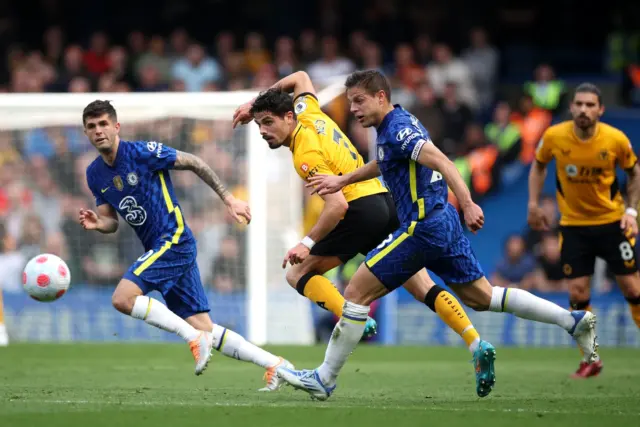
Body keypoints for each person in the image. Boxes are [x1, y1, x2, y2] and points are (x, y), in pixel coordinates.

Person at [277, 70, 598, 401]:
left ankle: (325, 378)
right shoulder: (394, 126)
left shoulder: (398, 131)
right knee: (482, 297)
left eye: (359, 101)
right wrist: (342, 182)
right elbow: (384, 163)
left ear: (380, 97)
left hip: (422, 225)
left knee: (356, 291)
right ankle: (572, 321)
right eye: (351, 102)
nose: (354, 109)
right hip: (441, 222)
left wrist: (470, 203)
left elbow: (444, 161)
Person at [233, 73, 490, 379]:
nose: (262, 131)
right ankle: (476, 343)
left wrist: (307, 242)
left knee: (297, 273)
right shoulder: (308, 111)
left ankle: (350, 318)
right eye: (259, 124)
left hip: (361, 210)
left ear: (288, 117)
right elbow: (301, 77)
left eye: (268, 123)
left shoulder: (304, 153)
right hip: (385, 200)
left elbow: (337, 205)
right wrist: (256, 102)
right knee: (422, 286)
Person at [80, 100, 291, 391]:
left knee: (122, 298)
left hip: (174, 238)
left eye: (103, 124)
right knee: (204, 325)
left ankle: (192, 338)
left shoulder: (141, 153)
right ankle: (275, 363)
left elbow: (194, 161)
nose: (98, 131)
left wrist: (228, 198)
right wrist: (98, 223)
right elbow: (110, 221)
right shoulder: (94, 174)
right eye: (92, 126)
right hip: (161, 247)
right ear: (86, 133)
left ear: (116, 127)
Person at [528, 82, 640, 378]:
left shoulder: (615, 139)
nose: (583, 109)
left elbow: (634, 172)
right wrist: (533, 203)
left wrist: (632, 211)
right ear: (571, 107)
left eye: (590, 105)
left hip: (612, 223)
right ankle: (590, 358)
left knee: (633, 288)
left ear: (600, 109)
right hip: (574, 227)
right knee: (578, 293)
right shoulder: (554, 136)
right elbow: (538, 165)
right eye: (578, 104)